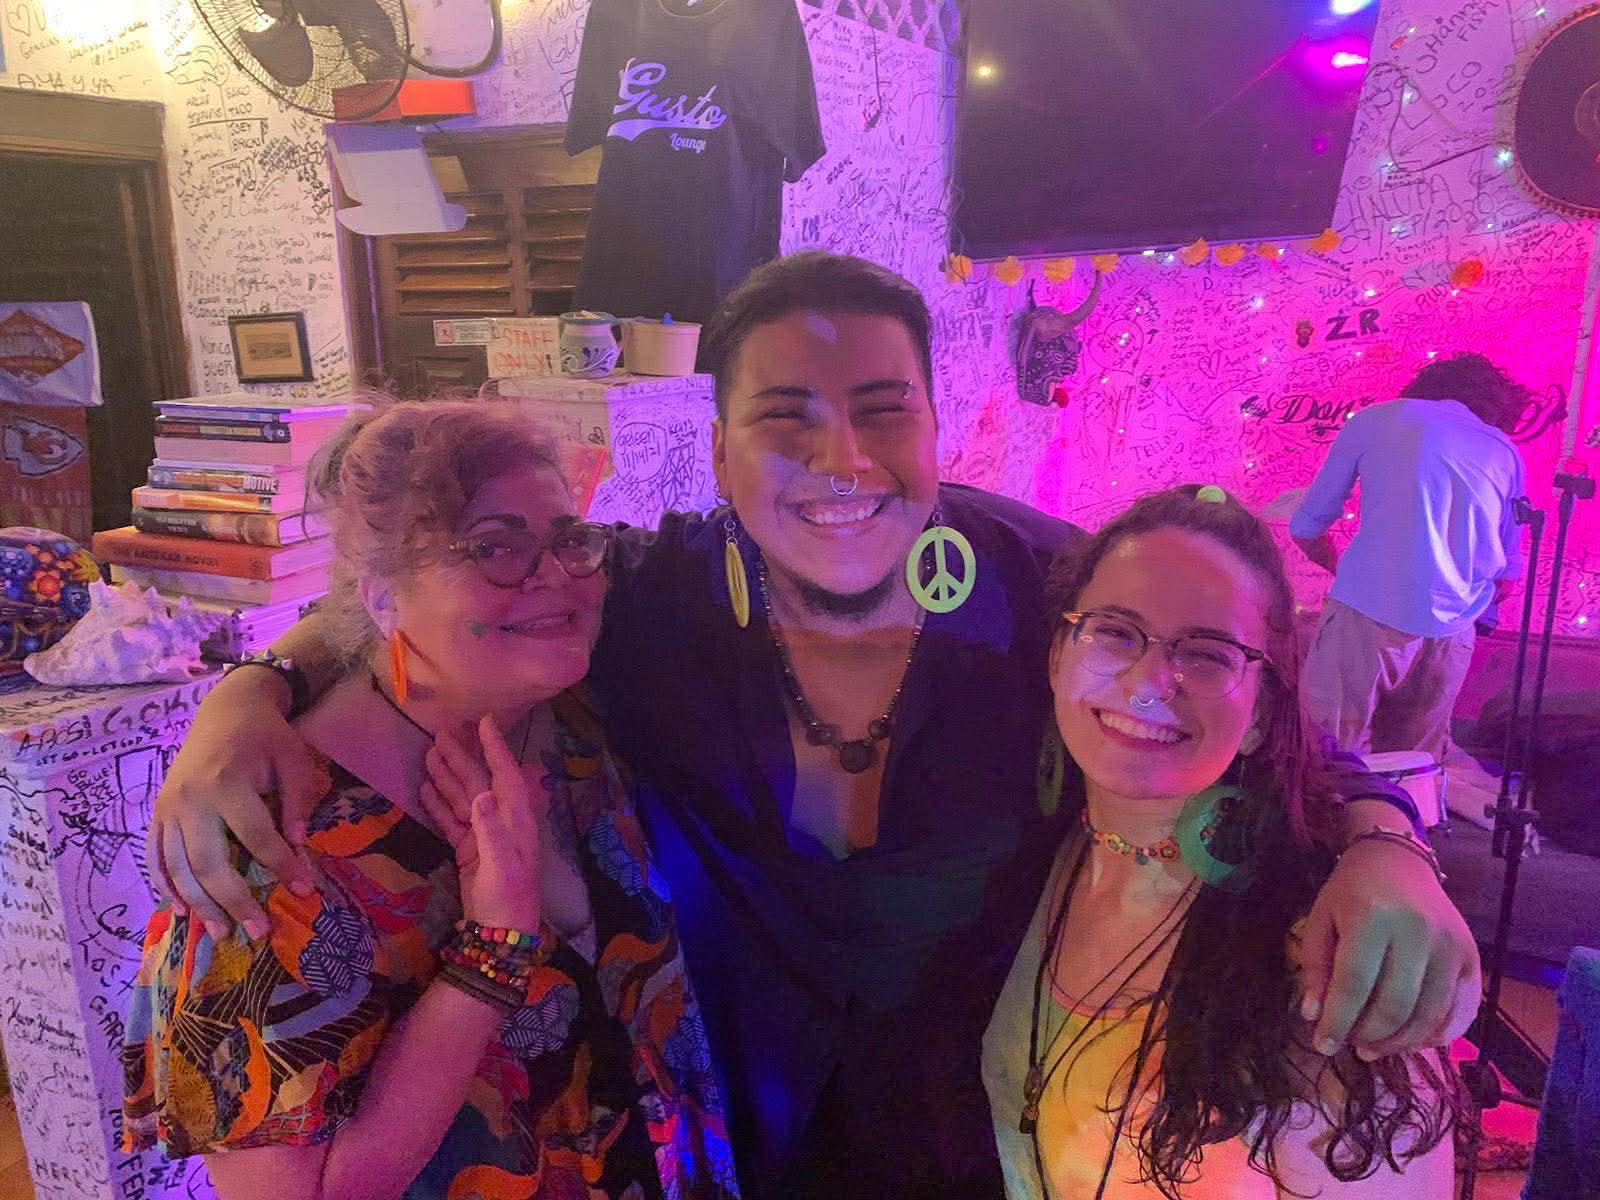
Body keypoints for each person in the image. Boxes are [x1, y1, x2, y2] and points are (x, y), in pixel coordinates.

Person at [146, 253, 1479, 1199]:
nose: (840, 460)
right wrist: (247, 696)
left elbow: (1260, 703)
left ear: (936, 432)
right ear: (719, 455)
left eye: (882, 410)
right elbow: (433, 598)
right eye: (784, 417)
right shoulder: (638, 600)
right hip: (733, 1146)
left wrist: (1388, 846)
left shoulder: (1055, 595)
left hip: (982, 1141)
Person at [121, 403, 737, 1199]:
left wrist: (251, 683)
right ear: (380, 599)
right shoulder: (278, 840)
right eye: (495, 548)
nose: (555, 574)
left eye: (569, 540)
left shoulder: (577, 717)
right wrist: (493, 949)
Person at [984, 485, 1462, 1199]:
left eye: (1207, 653)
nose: (1150, 682)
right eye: (1115, 630)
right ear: (1057, 656)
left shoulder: (1328, 951)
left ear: (1265, 712)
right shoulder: (1037, 853)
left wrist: (1391, 847)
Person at [1291, 353, 1527, 759]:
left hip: (1366, 613)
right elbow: (1507, 576)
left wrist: (1339, 568)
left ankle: (1330, 822)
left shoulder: (1373, 420)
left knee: (1327, 752)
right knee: (1413, 766)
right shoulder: (1504, 450)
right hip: (1453, 634)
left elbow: (1307, 525)